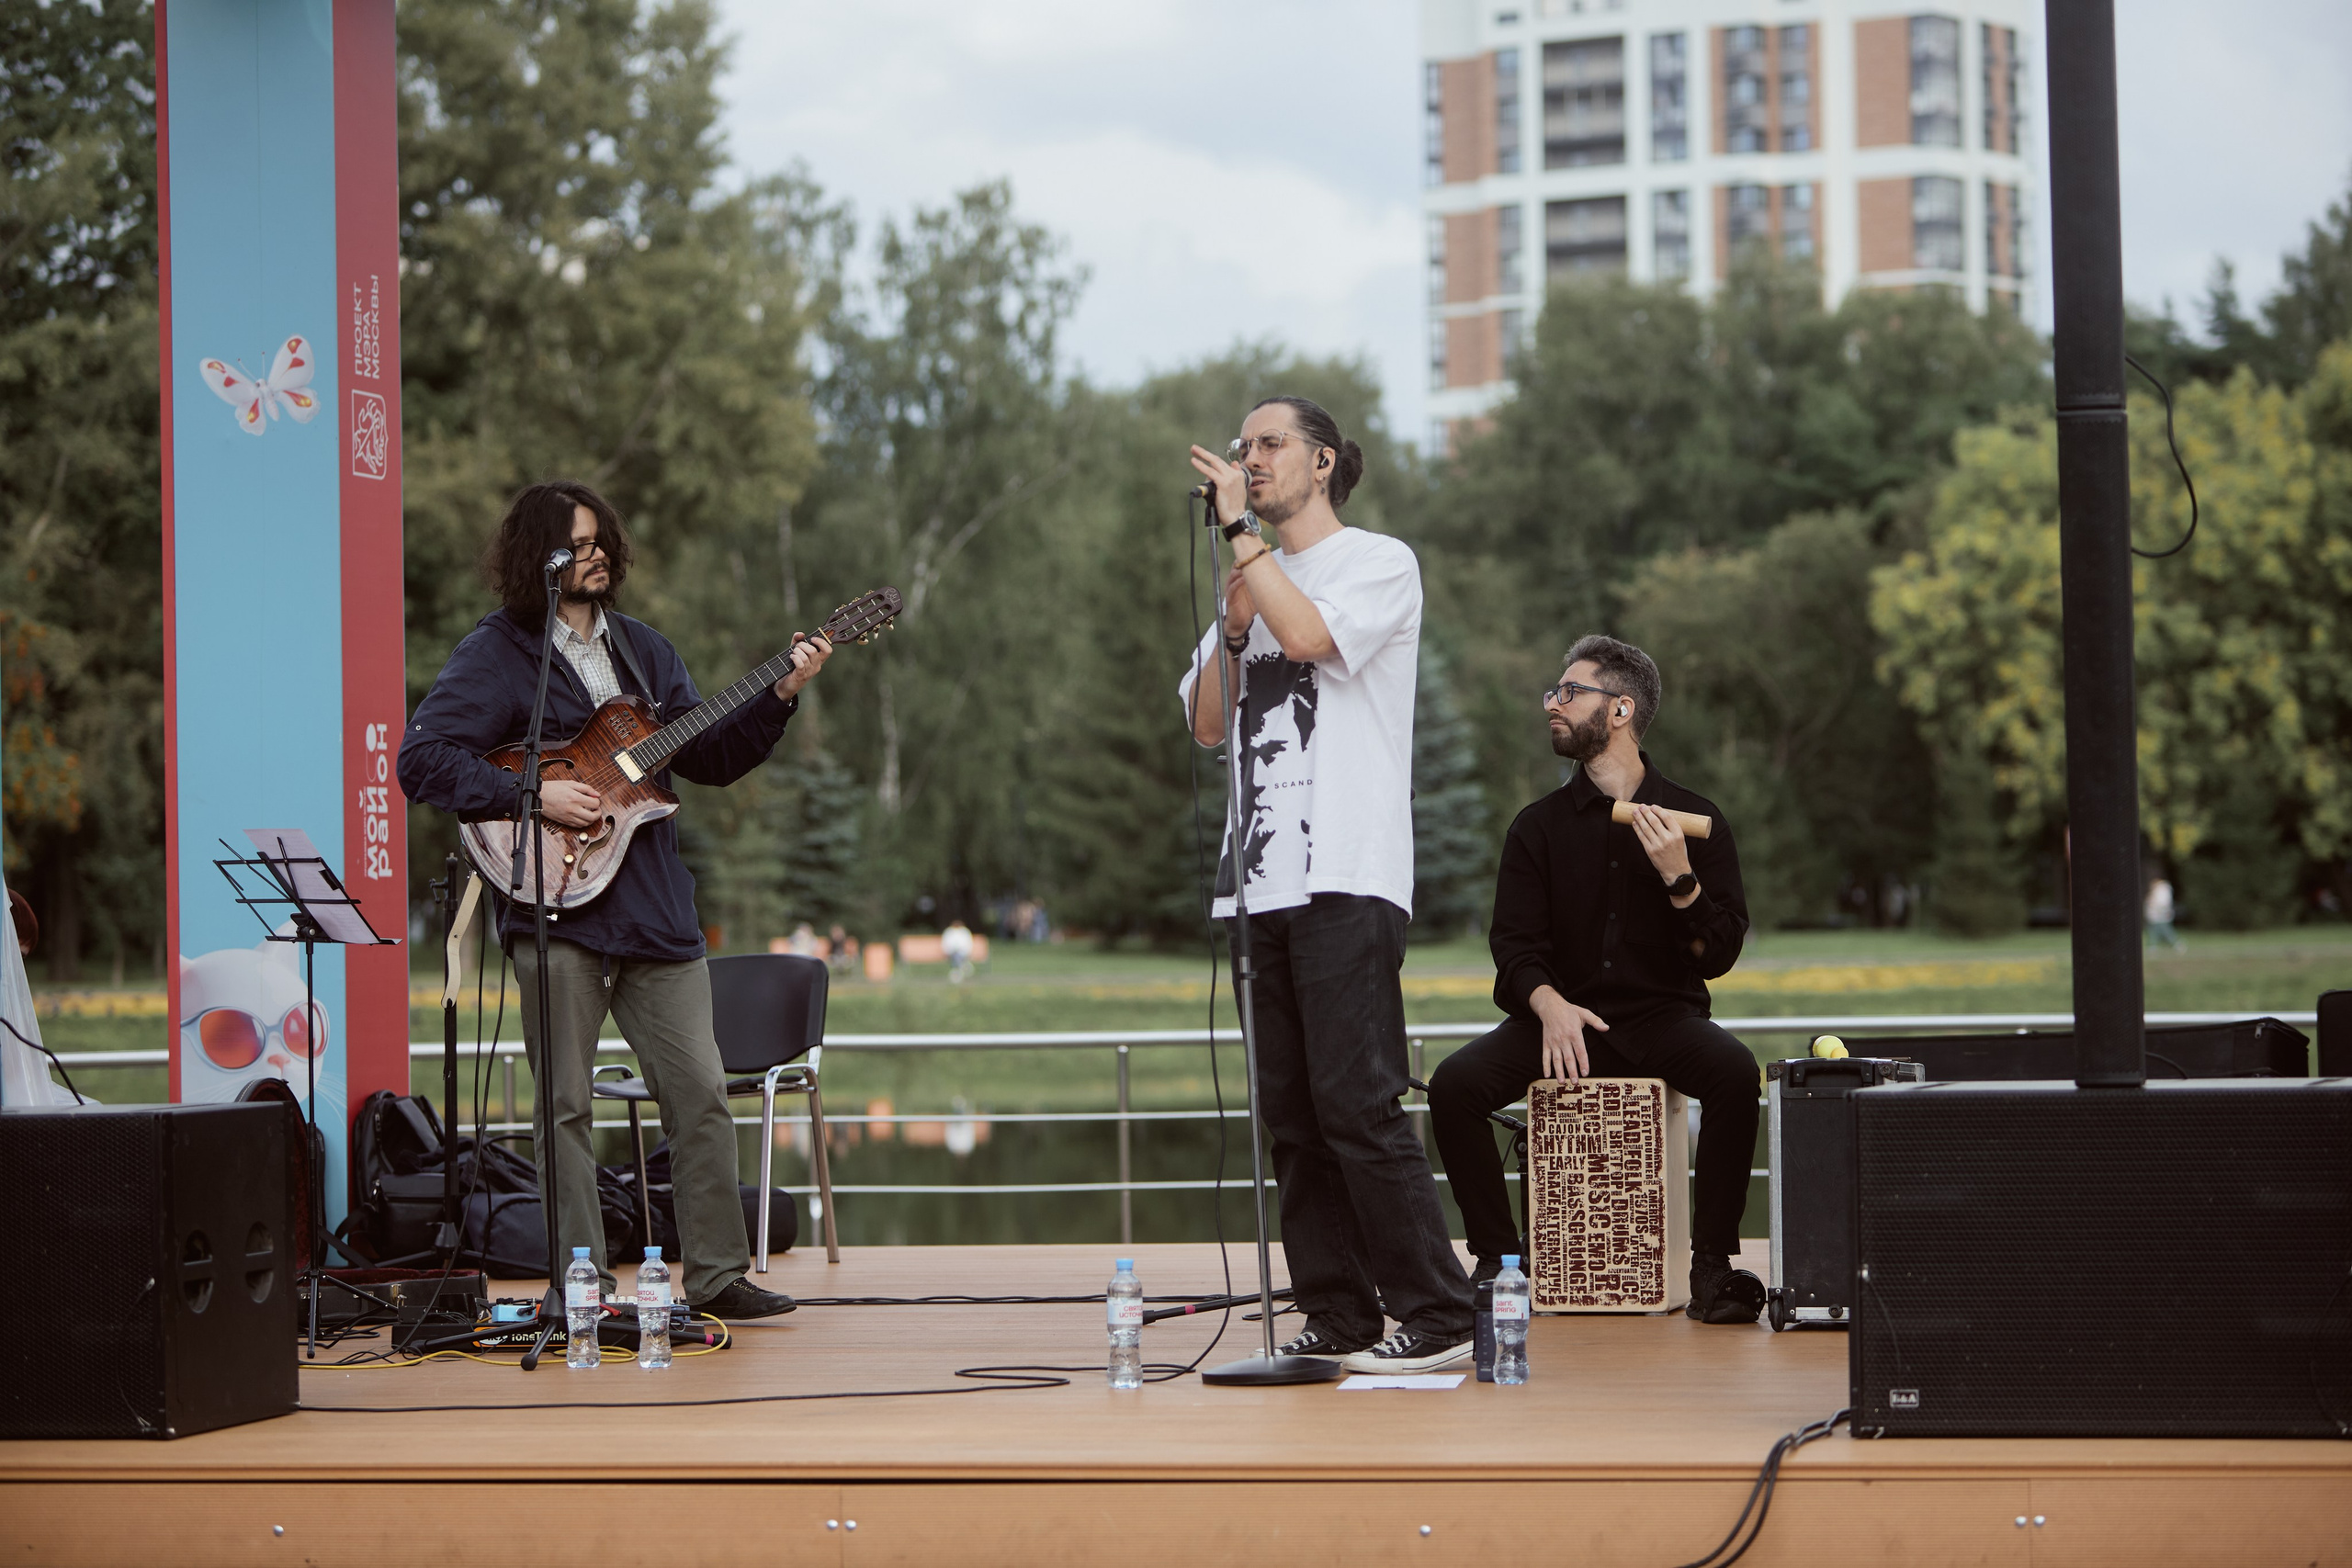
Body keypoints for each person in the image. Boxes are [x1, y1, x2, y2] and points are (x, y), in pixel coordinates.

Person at [399, 479, 828, 1322]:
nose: (596, 556)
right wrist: (532, 795)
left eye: (601, 541)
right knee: (564, 1106)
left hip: (655, 912)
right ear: (539, 558)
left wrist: (779, 695)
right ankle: (582, 1287)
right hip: (555, 910)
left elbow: (709, 756)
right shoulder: (496, 653)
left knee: (700, 1092)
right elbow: (422, 760)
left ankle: (718, 1275)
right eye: (577, 545)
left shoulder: (645, 651)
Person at [1179, 395, 1476, 1373]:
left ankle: (1439, 1313)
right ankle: (1338, 1315)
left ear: (1322, 462)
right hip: (1255, 884)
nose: (1250, 458)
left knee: (1357, 1102)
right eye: (1244, 446)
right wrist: (1231, 628)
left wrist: (1243, 542)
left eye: (1270, 444)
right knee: (1293, 1118)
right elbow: (1207, 725)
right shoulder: (1248, 577)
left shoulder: (1378, 561)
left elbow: (1308, 639)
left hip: (1346, 871)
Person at [1427, 636, 1767, 1325]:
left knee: (1735, 1075)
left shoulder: (1697, 822)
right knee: (1454, 1085)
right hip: (1561, 1023)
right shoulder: (1537, 828)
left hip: (1662, 1021)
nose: (1552, 705)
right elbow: (1514, 948)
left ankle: (1711, 1267)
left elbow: (1719, 952)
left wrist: (1680, 879)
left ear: (1620, 709)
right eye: (1553, 692)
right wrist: (1549, 1004)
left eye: (1569, 692)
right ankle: (1500, 1263)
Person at [2144, 876, 2184, 952]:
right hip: (2155, 915)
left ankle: (2177, 944)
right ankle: (2153, 945)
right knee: (2153, 931)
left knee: (2165, 930)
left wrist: (2156, 907)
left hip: (2161, 914)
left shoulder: (2162, 890)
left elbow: (2163, 903)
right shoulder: (2157, 890)